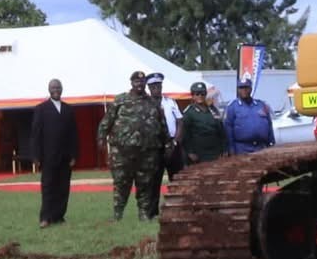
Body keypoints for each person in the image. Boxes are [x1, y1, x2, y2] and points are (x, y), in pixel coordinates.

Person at [98, 70, 169, 221]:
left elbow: (162, 126)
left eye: (142, 82)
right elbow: (106, 122)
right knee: (121, 184)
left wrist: (168, 143)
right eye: (136, 82)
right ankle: (117, 214)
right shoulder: (121, 100)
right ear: (131, 83)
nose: (139, 84)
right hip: (122, 153)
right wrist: (101, 139)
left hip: (147, 152)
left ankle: (143, 214)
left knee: (145, 184)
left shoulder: (152, 103)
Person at [26, 78, 77, 228]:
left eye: (58, 87)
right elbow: (35, 134)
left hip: (65, 157)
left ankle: (58, 217)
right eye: (53, 87)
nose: (56, 90)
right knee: (48, 187)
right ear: (49, 90)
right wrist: (35, 156)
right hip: (48, 157)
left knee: (63, 188)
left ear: (62, 89)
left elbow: (73, 134)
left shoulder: (68, 109)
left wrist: (74, 155)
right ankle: (45, 218)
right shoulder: (41, 109)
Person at [177, 79, 229, 165]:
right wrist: (190, 152)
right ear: (193, 96)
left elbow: (221, 131)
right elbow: (185, 135)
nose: (200, 96)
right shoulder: (189, 112)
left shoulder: (213, 110)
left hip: (216, 153)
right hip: (198, 155)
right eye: (197, 94)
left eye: (202, 93)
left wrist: (224, 149)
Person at [223, 77, 275, 155]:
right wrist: (231, 149)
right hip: (242, 149)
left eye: (246, 87)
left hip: (262, 147)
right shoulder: (232, 107)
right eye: (241, 88)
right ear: (238, 90)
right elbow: (228, 129)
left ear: (250, 89)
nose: (244, 90)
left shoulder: (261, 105)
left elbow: (269, 124)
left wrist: (271, 142)